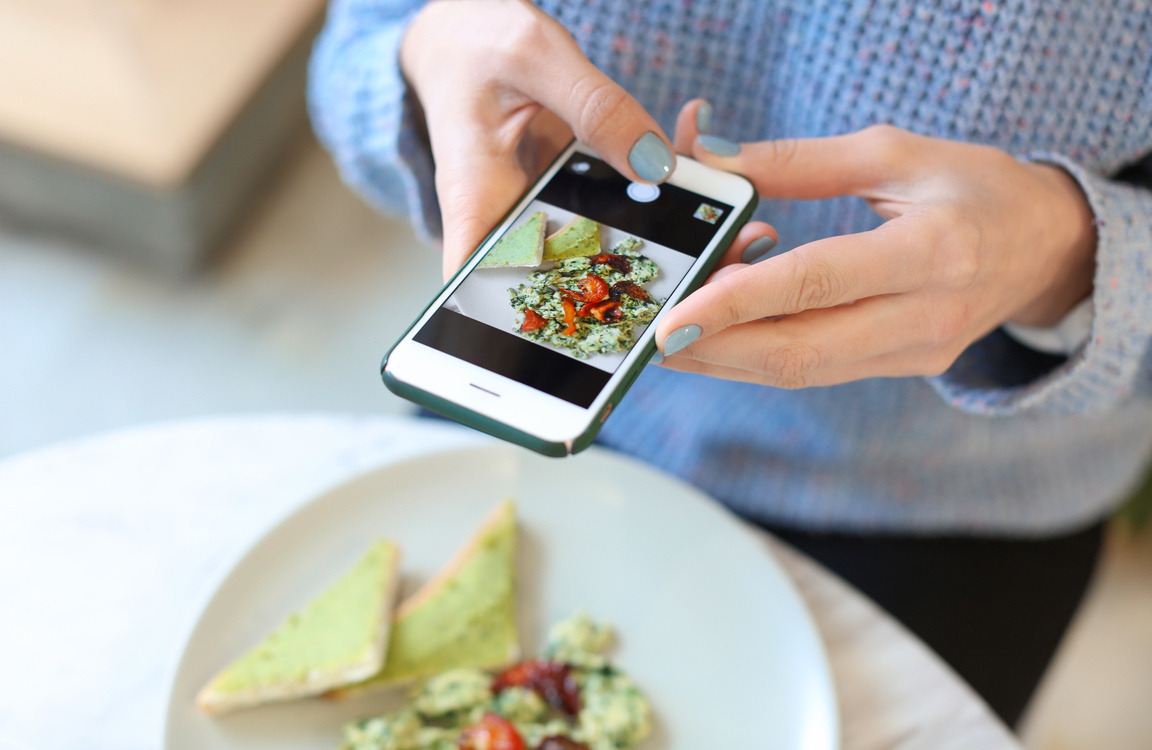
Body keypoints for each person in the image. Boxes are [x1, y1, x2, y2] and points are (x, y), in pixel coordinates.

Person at [309, 0, 1152, 727]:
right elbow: (354, 50)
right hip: (533, 382)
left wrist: (1067, 257)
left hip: (947, 506)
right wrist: (420, 66)